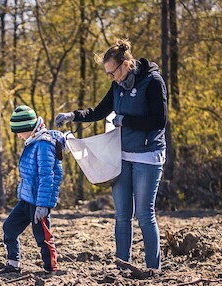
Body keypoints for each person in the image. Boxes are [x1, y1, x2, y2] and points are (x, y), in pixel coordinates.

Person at [55, 39, 167, 270]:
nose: (111, 77)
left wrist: (127, 121)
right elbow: (99, 111)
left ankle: (152, 269)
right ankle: (122, 266)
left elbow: (159, 120)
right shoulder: (118, 85)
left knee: (145, 215)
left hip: (148, 155)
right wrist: (73, 116)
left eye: (112, 72)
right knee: (122, 215)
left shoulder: (153, 82)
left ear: (126, 64)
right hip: (122, 156)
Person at [0, 105, 64, 276]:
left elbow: (48, 176)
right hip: (26, 199)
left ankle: (50, 268)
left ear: (28, 128)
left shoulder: (44, 145)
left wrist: (43, 205)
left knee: (42, 236)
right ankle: (13, 264)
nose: (18, 136)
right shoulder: (32, 142)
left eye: (19, 131)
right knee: (9, 228)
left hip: (39, 202)